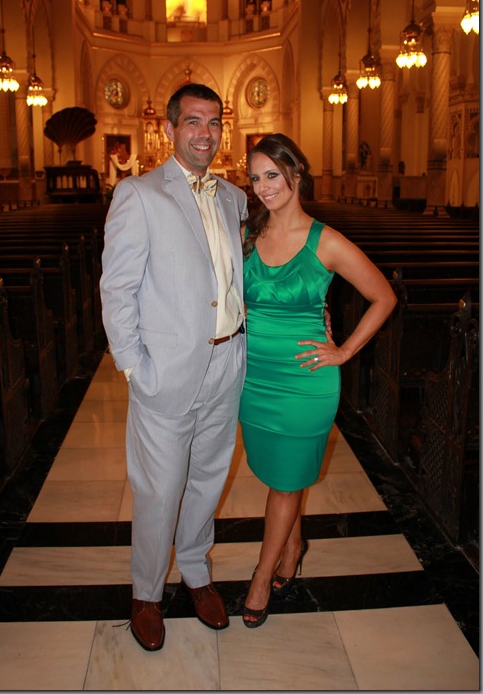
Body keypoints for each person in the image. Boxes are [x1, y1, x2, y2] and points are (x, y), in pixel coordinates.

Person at [100, 83, 248, 652]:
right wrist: (135, 368)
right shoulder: (138, 194)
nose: (205, 133)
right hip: (166, 371)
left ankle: (195, 571)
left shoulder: (234, 198)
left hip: (227, 361)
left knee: (209, 477)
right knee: (159, 489)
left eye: (213, 122)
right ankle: (145, 593)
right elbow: (117, 289)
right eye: (193, 121)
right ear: (170, 129)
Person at [239, 133, 397, 628]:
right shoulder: (247, 234)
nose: (263, 186)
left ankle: (262, 576)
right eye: (255, 178)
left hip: (306, 380)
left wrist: (344, 351)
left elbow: (384, 297)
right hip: (253, 378)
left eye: (272, 175)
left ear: (296, 173)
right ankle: (294, 547)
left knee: (285, 484)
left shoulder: (325, 241)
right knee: (280, 476)